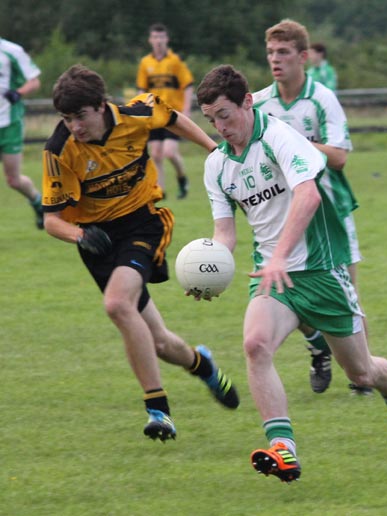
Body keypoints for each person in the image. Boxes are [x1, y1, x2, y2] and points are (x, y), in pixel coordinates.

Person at [196, 64, 387, 483]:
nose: (219, 127)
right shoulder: (217, 165)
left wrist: (282, 255)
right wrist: (211, 270)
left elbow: (308, 194)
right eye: (211, 120)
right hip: (271, 275)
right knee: (255, 345)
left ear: (247, 102)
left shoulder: (281, 136)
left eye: (224, 115)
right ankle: (283, 449)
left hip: (320, 271)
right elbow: (224, 233)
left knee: (362, 372)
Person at [41, 64, 239, 443]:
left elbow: (176, 118)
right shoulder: (59, 149)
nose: (74, 126)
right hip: (95, 239)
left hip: (141, 224)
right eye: (66, 118)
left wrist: (216, 153)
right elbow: (52, 220)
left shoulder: (137, 113)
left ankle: (158, 410)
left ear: (101, 106)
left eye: (80, 116)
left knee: (117, 305)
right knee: (161, 342)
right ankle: (203, 365)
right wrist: (80, 235)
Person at [253, 19, 371, 395]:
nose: (276, 60)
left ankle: (362, 377)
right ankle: (319, 347)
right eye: (271, 52)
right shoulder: (258, 103)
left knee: (346, 294)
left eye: (284, 53)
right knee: (283, 284)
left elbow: (338, 157)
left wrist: (287, 141)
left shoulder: (321, 98)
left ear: (303, 57)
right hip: (280, 214)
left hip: (329, 210)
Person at [136, 23, 194, 200]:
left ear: (166, 39)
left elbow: (188, 85)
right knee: (156, 154)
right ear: (150, 40)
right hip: (154, 115)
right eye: (155, 37)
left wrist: (186, 110)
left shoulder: (174, 61)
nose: (158, 41)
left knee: (169, 152)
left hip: (171, 114)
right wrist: (141, 109)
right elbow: (141, 89)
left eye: (161, 37)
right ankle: (160, 190)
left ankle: (182, 178)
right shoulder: (146, 63)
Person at [0, 37, 43, 228]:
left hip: (9, 124)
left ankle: (38, 202)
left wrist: (18, 93)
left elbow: (34, 82)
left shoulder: (12, 51)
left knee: (13, 180)